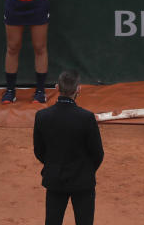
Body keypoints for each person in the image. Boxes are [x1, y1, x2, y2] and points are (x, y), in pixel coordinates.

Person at [33, 70, 104, 225]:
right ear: (78, 89)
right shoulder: (86, 118)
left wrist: (53, 164)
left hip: (55, 179)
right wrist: (85, 170)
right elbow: (98, 153)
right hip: (83, 181)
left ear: (57, 87)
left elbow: (38, 151)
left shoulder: (42, 116)